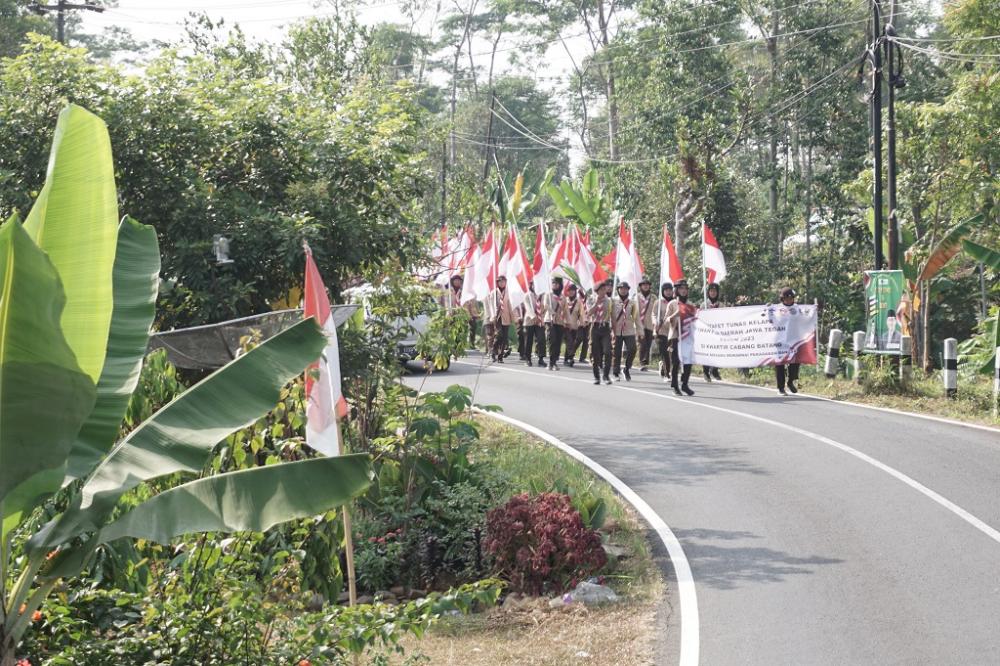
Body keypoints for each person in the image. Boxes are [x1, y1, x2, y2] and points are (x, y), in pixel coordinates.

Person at [666, 280, 695, 395]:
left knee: (688, 361)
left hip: (687, 336)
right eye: (681, 288)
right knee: (676, 361)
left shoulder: (690, 304)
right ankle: (674, 384)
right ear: (677, 290)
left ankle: (685, 384)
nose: (683, 291)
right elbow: (666, 320)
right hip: (675, 336)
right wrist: (676, 314)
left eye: (685, 289)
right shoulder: (673, 304)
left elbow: (694, 319)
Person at [774, 287, 800, 395]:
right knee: (780, 365)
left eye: (791, 298)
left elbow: (806, 318)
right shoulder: (777, 309)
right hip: (780, 340)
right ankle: (781, 388)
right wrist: (767, 310)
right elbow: (771, 321)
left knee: (795, 363)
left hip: (793, 340)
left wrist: (814, 310)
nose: (789, 300)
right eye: (786, 298)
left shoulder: (797, 308)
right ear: (782, 299)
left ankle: (790, 382)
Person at [611, 281, 639, 381]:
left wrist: (640, 330)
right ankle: (615, 372)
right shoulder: (613, 301)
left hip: (629, 330)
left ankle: (626, 369)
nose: (623, 290)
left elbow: (636, 317)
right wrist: (610, 329)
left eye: (625, 289)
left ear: (628, 290)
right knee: (616, 352)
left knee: (632, 349)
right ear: (618, 289)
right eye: (621, 288)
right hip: (616, 330)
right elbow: (609, 315)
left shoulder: (632, 303)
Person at [588, 279, 613, 385]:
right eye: (601, 289)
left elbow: (613, 315)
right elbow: (589, 313)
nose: (604, 291)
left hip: (605, 328)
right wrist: (596, 303)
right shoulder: (591, 299)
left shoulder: (609, 301)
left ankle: (606, 376)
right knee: (595, 353)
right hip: (595, 327)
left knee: (608, 352)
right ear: (597, 291)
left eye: (605, 289)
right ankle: (596, 376)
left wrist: (615, 330)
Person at [483, 275, 513, 363]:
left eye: (503, 281)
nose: (502, 283)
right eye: (500, 281)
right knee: (499, 335)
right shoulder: (494, 293)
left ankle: (500, 356)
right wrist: (493, 315)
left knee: (504, 337)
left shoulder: (508, 293)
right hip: (497, 317)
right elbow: (491, 306)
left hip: (506, 317)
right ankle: (492, 352)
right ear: (497, 283)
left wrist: (514, 318)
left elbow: (510, 306)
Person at [543, 276, 567, 371]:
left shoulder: (563, 297)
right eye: (553, 283)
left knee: (558, 342)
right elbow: (546, 305)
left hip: (560, 321)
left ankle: (555, 362)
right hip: (550, 320)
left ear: (560, 285)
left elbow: (565, 310)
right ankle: (550, 362)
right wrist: (552, 312)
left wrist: (568, 321)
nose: (554, 285)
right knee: (552, 340)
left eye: (556, 283)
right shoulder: (548, 295)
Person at [654, 282, 676, 383]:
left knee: (671, 353)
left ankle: (662, 365)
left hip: (672, 332)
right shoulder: (658, 303)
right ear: (663, 291)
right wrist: (656, 322)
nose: (668, 292)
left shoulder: (676, 302)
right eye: (666, 290)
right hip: (661, 331)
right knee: (665, 353)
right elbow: (653, 315)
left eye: (670, 290)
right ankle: (667, 375)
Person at [702, 282, 723, 382]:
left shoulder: (721, 305)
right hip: (706, 333)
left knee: (718, 352)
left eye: (715, 291)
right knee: (707, 353)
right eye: (711, 291)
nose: (713, 293)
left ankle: (715, 370)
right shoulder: (704, 305)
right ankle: (706, 372)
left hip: (718, 333)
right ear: (708, 292)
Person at [522, 282, 546, 367]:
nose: (536, 286)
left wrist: (542, 314)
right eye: (534, 285)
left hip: (540, 321)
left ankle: (541, 358)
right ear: (531, 285)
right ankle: (527, 359)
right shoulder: (527, 295)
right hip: (529, 321)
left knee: (541, 339)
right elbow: (527, 307)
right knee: (528, 341)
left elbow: (545, 307)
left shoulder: (543, 295)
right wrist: (533, 316)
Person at [636, 276, 656, 371]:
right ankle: (642, 362)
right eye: (643, 285)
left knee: (648, 344)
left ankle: (645, 362)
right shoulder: (636, 297)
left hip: (650, 324)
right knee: (642, 343)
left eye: (647, 285)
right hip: (639, 324)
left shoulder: (653, 297)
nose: (645, 286)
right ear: (640, 286)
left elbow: (656, 310)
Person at [563, 283, 584, 367]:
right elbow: (561, 312)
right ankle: (571, 357)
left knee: (573, 341)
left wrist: (582, 322)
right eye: (569, 291)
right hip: (565, 325)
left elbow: (581, 313)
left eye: (573, 290)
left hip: (574, 325)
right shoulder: (564, 300)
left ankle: (566, 359)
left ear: (575, 291)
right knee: (569, 341)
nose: (571, 292)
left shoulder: (579, 302)